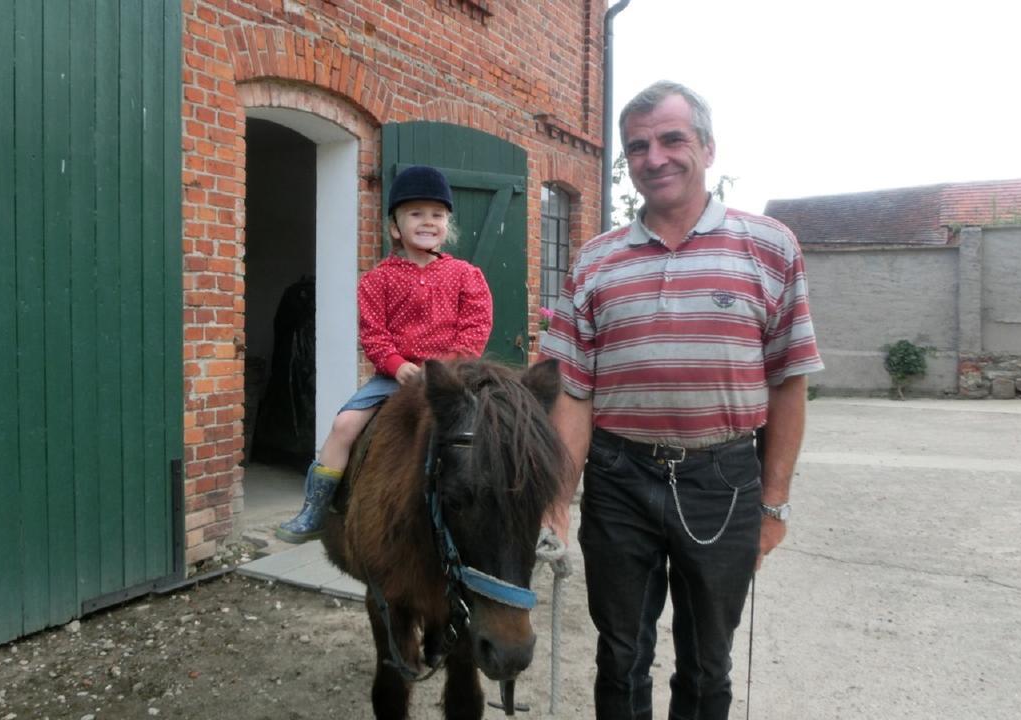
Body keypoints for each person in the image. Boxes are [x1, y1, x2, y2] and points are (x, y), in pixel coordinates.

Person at [540, 81, 823, 720]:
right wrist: (557, 498)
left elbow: (789, 380)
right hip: (617, 477)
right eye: (638, 146)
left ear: (707, 148)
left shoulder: (770, 247)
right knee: (619, 653)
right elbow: (574, 392)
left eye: (672, 139)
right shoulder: (593, 262)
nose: (655, 156)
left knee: (707, 659)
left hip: (722, 480)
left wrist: (774, 501)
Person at [276, 165, 494, 543]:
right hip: (394, 377)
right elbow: (374, 336)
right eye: (416, 213)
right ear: (395, 226)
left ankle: (501, 506)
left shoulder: (466, 275)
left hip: (454, 376)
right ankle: (316, 508)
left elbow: (475, 326)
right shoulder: (377, 280)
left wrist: (450, 366)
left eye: (437, 215)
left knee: (489, 428)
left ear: (448, 224)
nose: (428, 221)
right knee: (344, 425)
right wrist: (399, 367)